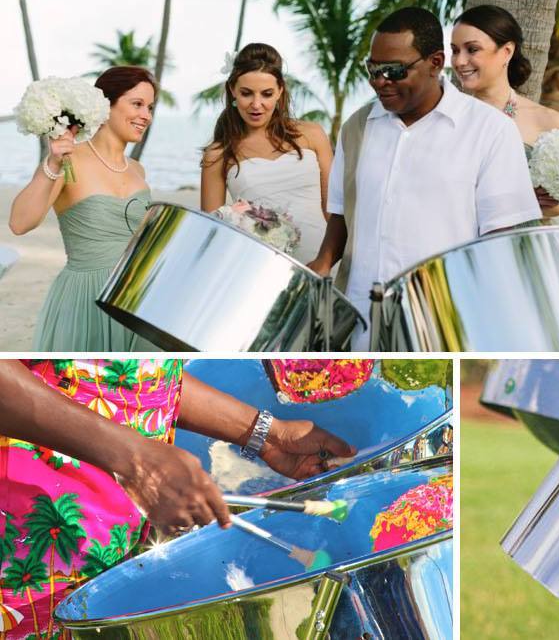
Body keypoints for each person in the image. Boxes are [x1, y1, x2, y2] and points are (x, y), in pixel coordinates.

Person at [0, 358, 354, 639]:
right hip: (24, 558)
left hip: (112, 552)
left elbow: (127, 376)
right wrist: (134, 459)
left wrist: (266, 435)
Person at [306, 6, 540, 349]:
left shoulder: (490, 131)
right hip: (357, 322)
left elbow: (502, 243)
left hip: (440, 325)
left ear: (435, 62)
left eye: (394, 71)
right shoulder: (356, 127)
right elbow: (342, 214)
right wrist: (323, 264)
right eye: (373, 70)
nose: (380, 82)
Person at [8, 67, 161, 352]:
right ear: (107, 105)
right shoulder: (69, 159)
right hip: (87, 297)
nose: (146, 116)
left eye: (150, 107)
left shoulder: (138, 171)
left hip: (137, 297)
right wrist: (52, 164)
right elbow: (19, 223)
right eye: (137, 104)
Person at [200, 43, 334, 263]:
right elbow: (213, 232)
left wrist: (331, 261)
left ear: (280, 91)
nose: (256, 104)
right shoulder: (217, 155)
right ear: (232, 90)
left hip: (323, 264)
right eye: (246, 93)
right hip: (260, 266)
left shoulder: (312, 134)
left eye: (267, 94)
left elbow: (333, 210)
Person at [451, 4, 559, 219]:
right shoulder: (450, 118)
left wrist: (543, 200)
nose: (459, 61)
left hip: (524, 245)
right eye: (455, 50)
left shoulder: (547, 120)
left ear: (506, 51)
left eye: (472, 49)